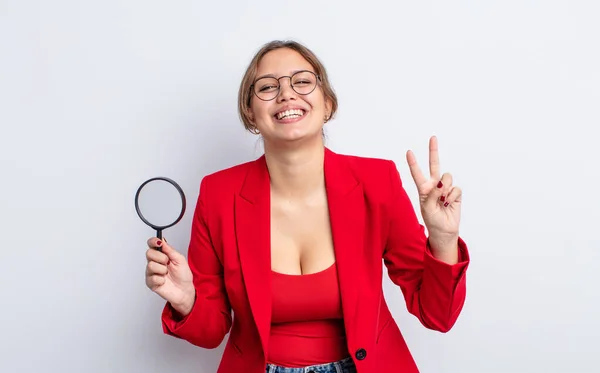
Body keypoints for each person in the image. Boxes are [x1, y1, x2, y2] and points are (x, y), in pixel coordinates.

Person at [144, 40, 470, 373]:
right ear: (250, 114)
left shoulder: (377, 182)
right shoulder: (218, 194)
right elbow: (211, 332)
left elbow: (437, 316)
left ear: (327, 103)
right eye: (268, 87)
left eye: (301, 81)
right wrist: (187, 301)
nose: (286, 94)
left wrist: (443, 240)